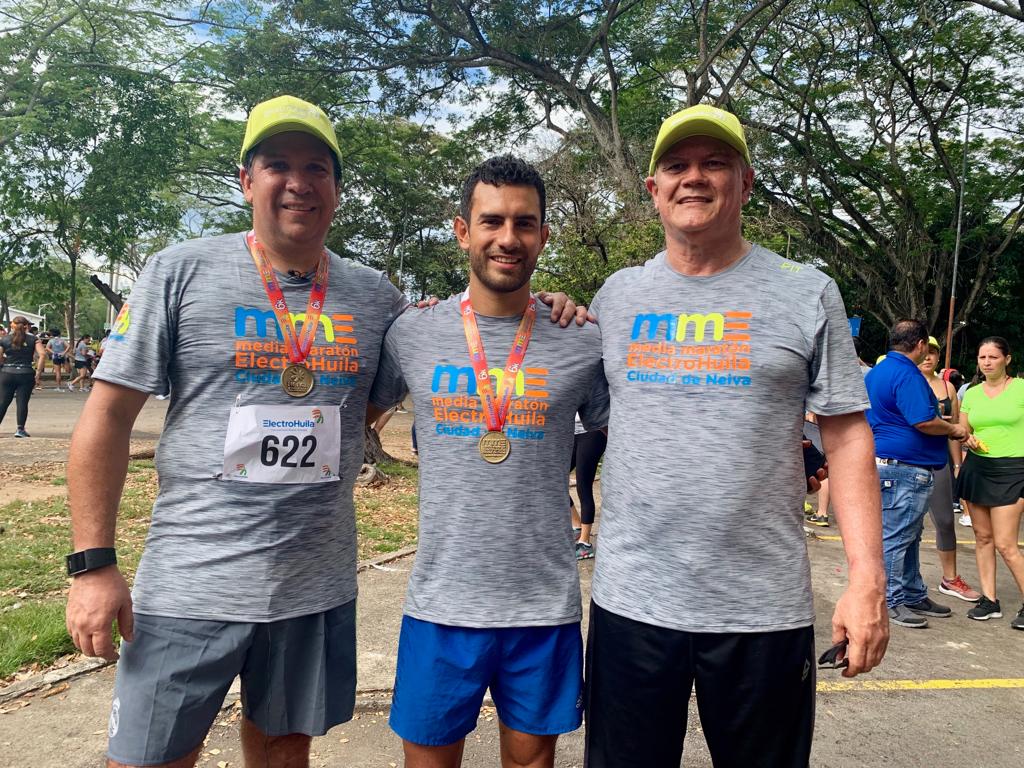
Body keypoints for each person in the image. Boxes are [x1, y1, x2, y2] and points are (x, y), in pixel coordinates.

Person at [64, 95, 580, 768]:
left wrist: (550, 304)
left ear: (336, 190)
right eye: (277, 164)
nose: (298, 182)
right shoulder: (179, 271)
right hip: (193, 577)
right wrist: (92, 565)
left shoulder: (376, 299)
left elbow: (379, 399)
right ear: (246, 179)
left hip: (313, 583)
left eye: (316, 168)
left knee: (284, 752)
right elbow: (106, 417)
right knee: (147, 758)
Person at [582, 104, 888, 768]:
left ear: (746, 183)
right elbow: (566, 403)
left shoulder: (805, 291)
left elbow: (846, 436)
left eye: (714, 163)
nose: (695, 177)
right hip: (633, 603)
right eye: (677, 165)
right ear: (653, 189)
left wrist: (867, 579)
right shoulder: (615, 299)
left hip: (762, 609)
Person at [369, 156, 607, 768]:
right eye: (492, 221)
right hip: (440, 605)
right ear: (462, 230)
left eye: (524, 224)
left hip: (542, 606)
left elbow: (633, 434)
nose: (508, 238)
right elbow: (354, 415)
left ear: (543, 236)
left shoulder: (583, 340)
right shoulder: (411, 333)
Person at [865, 320, 968, 629]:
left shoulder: (878, 372)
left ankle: (911, 593)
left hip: (891, 463)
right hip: (906, 467)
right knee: (897, 537)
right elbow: (922, 421)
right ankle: (893, 600)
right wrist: (953, 428)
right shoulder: (906, 374)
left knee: (908, 534)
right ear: (921, 344)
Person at [956, 337, 1024, 629]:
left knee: (1007, 544)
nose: (986, 362)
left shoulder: (1021, 389)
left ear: (1007, 359)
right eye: (982, 357)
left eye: (993, 357)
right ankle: (989, 600)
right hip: (978, 468)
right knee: (983, 538)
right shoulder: (971, 393)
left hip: (1013, 469)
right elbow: (962, 428)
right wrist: (966, 438)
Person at [918, 337, 980, 602]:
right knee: (906, 523)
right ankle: (898, 578)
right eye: (925, 352)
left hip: (939, 459)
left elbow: (956, 430)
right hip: (909, 457)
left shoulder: (948, 388)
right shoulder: (908, 382)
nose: (928, 357)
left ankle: (950, 578)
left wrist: (957, 465)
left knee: (945, 520)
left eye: (934, 353)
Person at [0, 316, 47, 437]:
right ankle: (20, 429)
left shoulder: (4, 339)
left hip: (7, 372)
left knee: (3, 401)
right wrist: (38, 373)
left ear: (12, 325)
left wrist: (4, 363)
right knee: (22, 402)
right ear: (27, 326)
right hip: (26, 373)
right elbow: (42, 354)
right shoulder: (34, 339)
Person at [570, 413, 607, 559]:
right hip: (571, 430)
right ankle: (577, 525)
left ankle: (585, 544)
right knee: (552, 478)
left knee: (583, 485)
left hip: (593, 431)